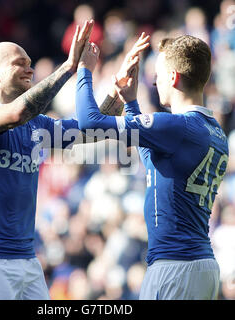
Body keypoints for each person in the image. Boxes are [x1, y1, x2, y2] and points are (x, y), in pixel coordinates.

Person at [0, 19, 140, 300]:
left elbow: (90, 132)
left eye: (30, 61)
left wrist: (117, 90)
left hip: (27, 261)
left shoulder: (38, 125)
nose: (30, 67)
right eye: (20, 63)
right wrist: (68, 68)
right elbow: (16, 113)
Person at [75, 34, 229, 299]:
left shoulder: (175, 126)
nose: (154, 81)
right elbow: (156, 164)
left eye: (158, 74)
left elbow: (89, 124)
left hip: (174, 266)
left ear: (172, 77)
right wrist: (131, 103)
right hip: (202, 265)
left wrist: (84, 70)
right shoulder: (214, 132)